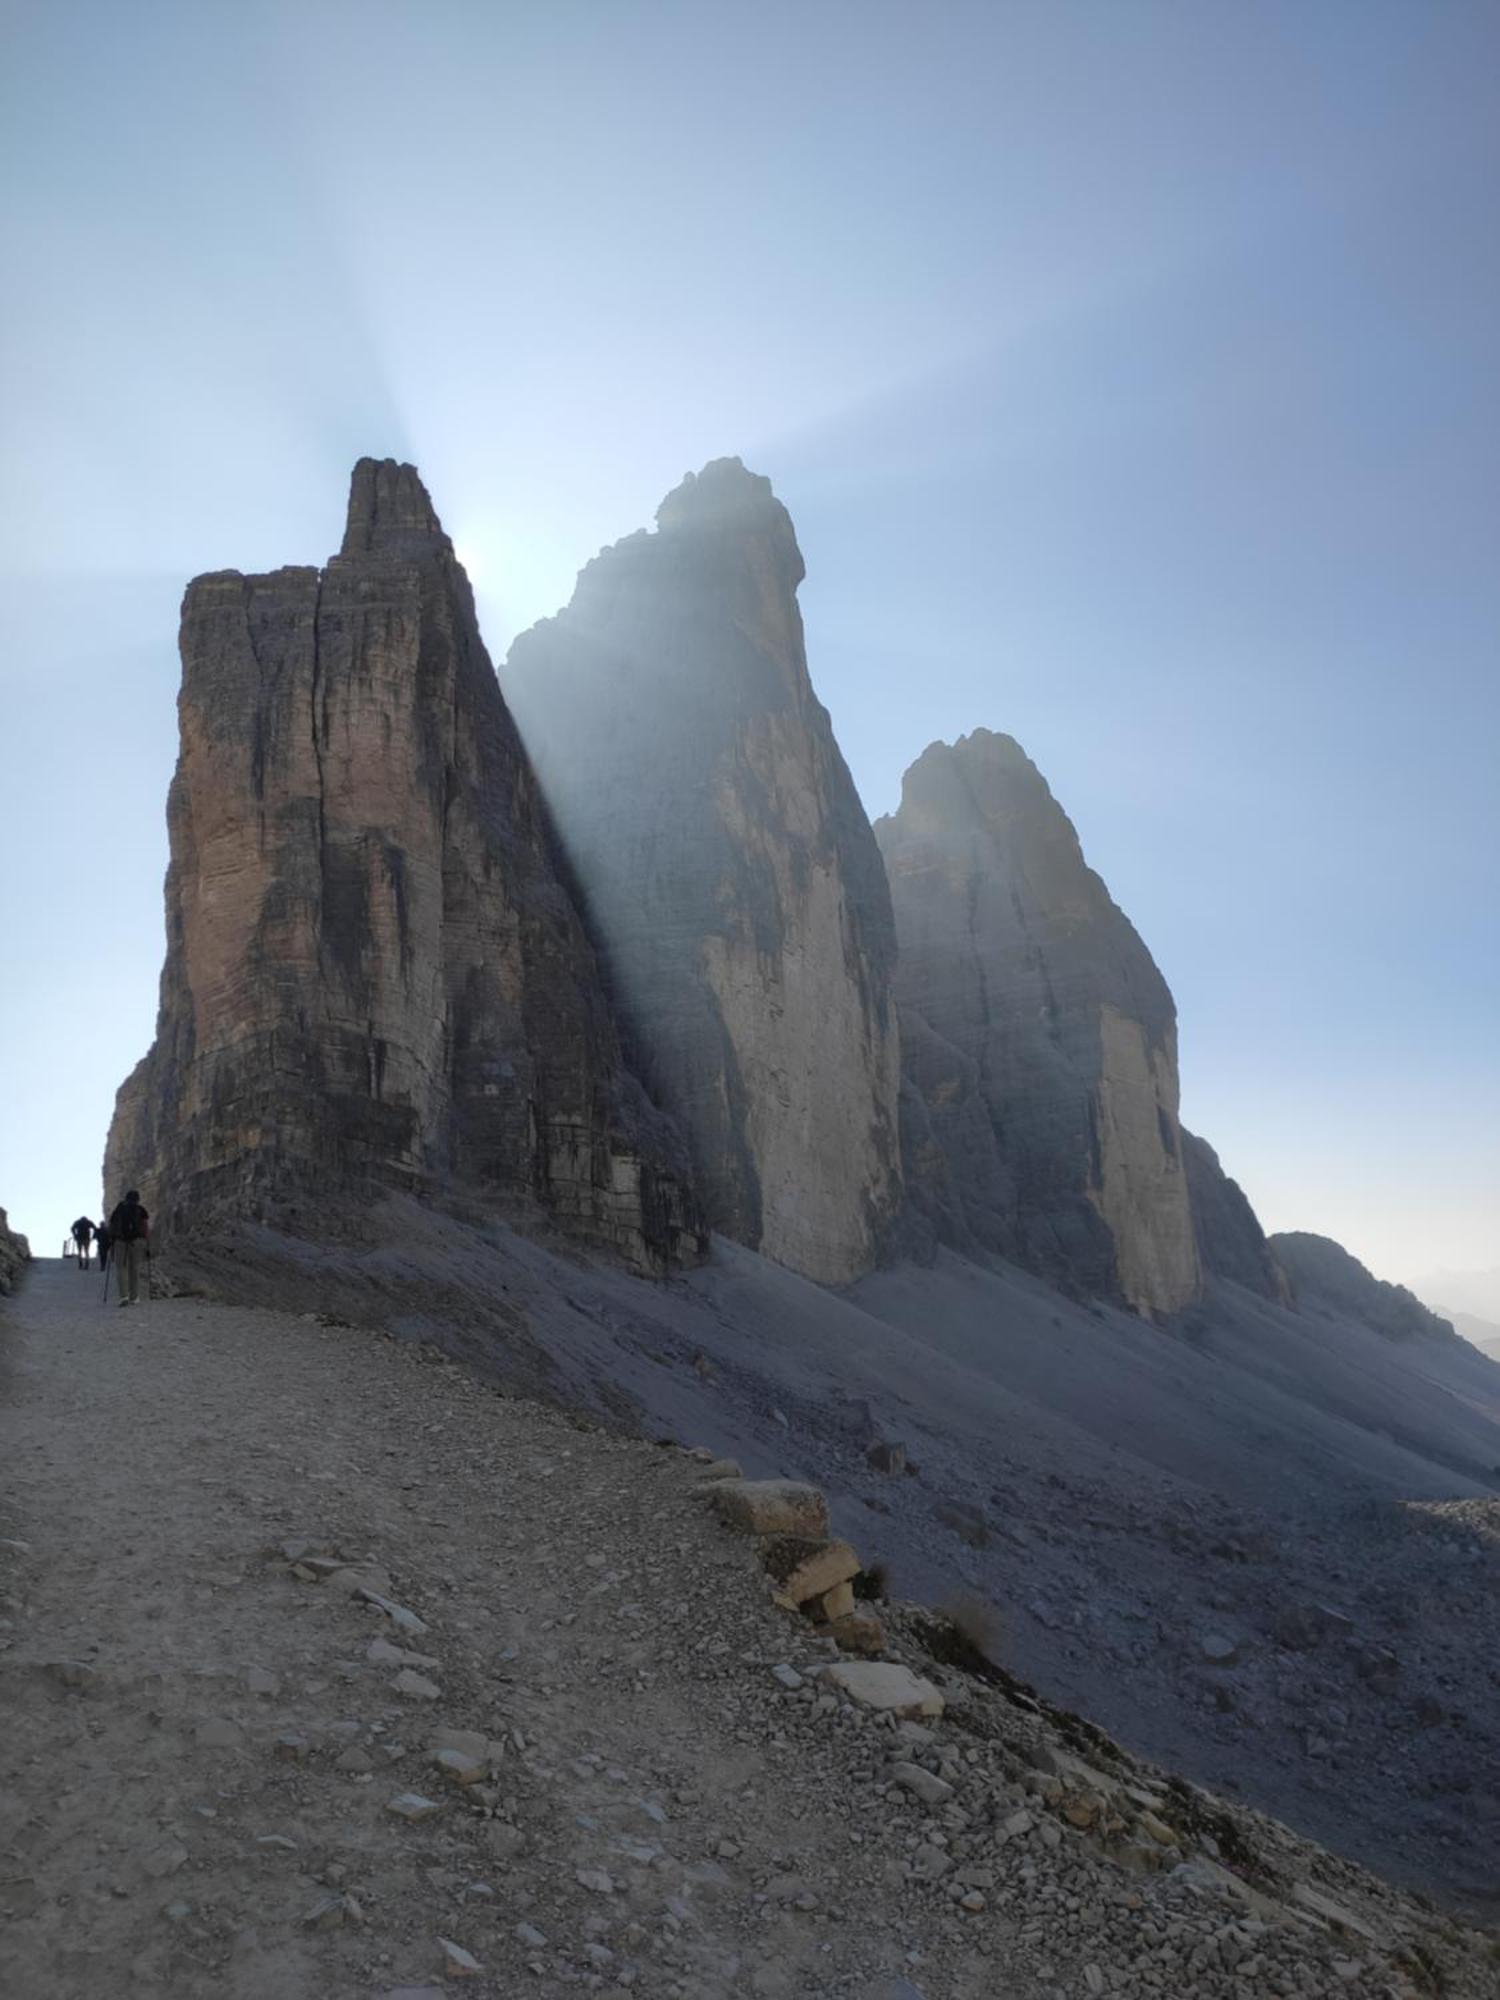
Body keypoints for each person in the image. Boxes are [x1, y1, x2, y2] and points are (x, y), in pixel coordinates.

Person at [107, 1189, 151, 1307]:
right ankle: (134, 1297)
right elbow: (145, 1227)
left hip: (120, 1242)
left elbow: (111, 1226)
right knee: (134, 1268)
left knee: (121, 1268)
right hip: (137, 1242)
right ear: (138, 1199)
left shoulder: (119, 1210)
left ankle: (123, 1296)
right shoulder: (141, 1210)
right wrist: (146, 1243)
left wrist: (110, 1242)